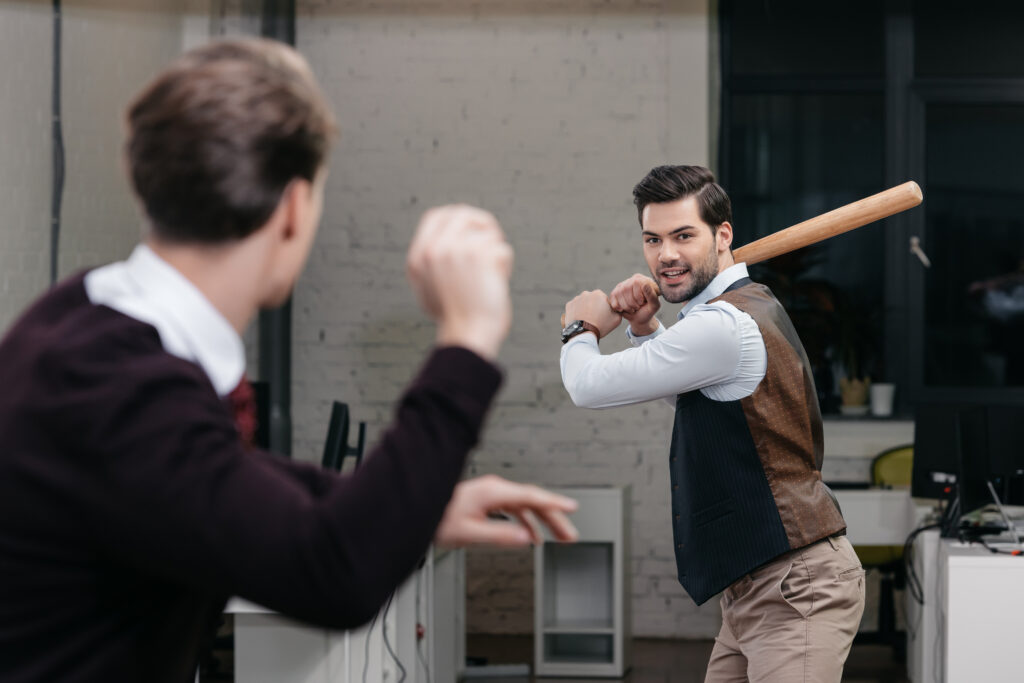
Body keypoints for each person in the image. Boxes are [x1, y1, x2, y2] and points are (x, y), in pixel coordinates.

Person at [0, 38, 578, 682]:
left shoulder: (79, 319)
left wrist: (407, 507)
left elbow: (212, 478)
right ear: (295, 207)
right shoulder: (117, 384)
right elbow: (334, 575)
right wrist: (467, 335)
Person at [559, 165, 865, 682]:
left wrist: (581, 327)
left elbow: (587, 385)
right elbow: (701, 400)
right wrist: (643, 327)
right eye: (653, 239)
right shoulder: (742, 309)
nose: (666, 255)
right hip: (755, 588)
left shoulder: (721, 325)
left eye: (683, 236)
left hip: (795, 587)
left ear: (723, 236)